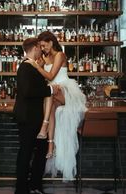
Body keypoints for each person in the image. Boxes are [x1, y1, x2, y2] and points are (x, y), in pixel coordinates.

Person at [26, 31, 87, 181]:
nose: (43, 48)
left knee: (50, 95)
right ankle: (51, 145)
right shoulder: (43, 57)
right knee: (50, 102)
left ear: (51, 42)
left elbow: (51, 76)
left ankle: (44, 129)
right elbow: (40, 75)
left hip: (66, 90)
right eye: (40, 46)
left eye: (44, 45)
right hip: (53, 93)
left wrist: (35, 65)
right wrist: (33, 64)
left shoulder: (60, 55)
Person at [13, 37, 60, 194]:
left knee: (39, 152)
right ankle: (21, 189)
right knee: (26, 153)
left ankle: (34, 186)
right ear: (34, 48)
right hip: (28, 117)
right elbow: (27, 92)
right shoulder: (26, 67)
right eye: (39, 47)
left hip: (35, 118)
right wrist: (50, 90)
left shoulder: (32, 66)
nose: (41, 50)